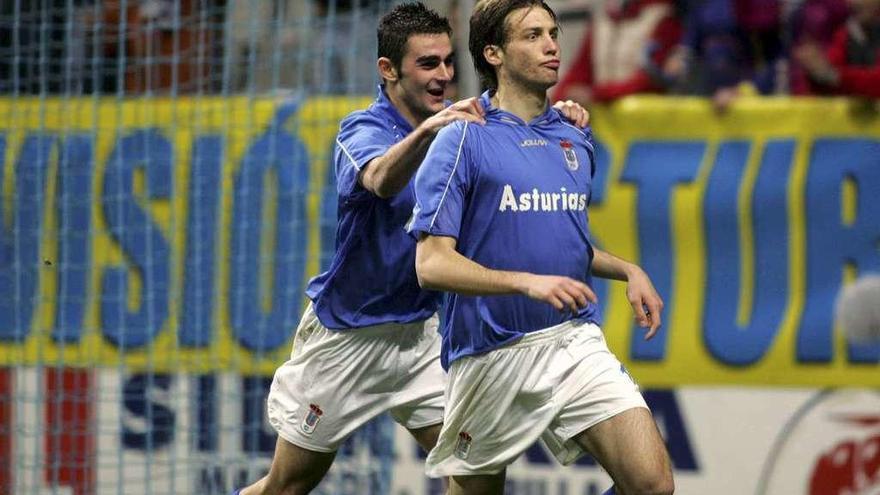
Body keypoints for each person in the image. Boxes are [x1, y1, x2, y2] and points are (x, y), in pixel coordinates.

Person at [234, 3, 589, 494]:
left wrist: (563, 116)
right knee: (288, 485)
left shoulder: (466, 126)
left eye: (448, 62)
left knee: (476, 475)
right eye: (428, 64)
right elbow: (379, 179)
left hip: (422, 338)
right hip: (347, 338)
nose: (443, 75)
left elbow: (522, 123)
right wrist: (428, 130)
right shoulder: (363, 129)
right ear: (388, 70)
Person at [407, 1, 674, 494]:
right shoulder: (462, 136)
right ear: (494, 54)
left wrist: (627, 269)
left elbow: (558, 241)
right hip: (488, 353)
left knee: (652, 484)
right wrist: (525, 283)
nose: (552, 44)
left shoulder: (574, 136)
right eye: (531, 36)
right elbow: (431, 264)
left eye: (552, 32)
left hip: (572, 342)